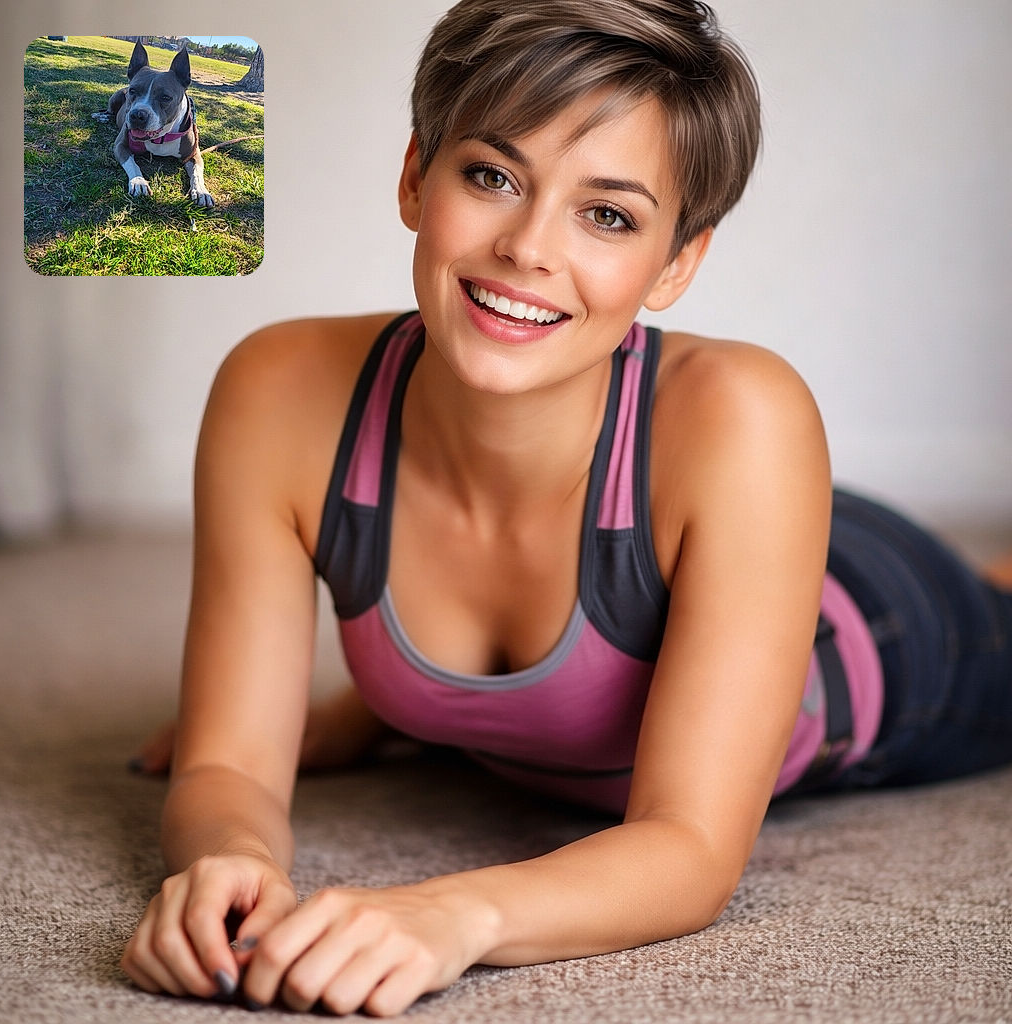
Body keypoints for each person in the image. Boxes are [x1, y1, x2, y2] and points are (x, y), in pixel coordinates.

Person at [120, 0, 1012, 1016]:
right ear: (415, 176)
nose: (528, 249)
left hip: (875, 622)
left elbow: (689, 847)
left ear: (677, 261)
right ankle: (394, 716)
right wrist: (231, 859)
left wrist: (450, 914)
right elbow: (228, 765)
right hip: (695, 535)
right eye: (492, 177)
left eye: (608, 215)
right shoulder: (278, 391)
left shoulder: (751, 416)